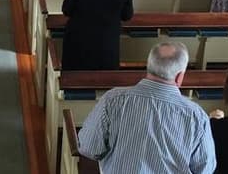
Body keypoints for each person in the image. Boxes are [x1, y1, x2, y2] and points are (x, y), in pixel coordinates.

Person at [78, 42, 216, 173]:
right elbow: (205, 169)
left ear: (149, 66)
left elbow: (88, 148)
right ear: (180, 76)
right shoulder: (197, 116)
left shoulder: (112, 99)